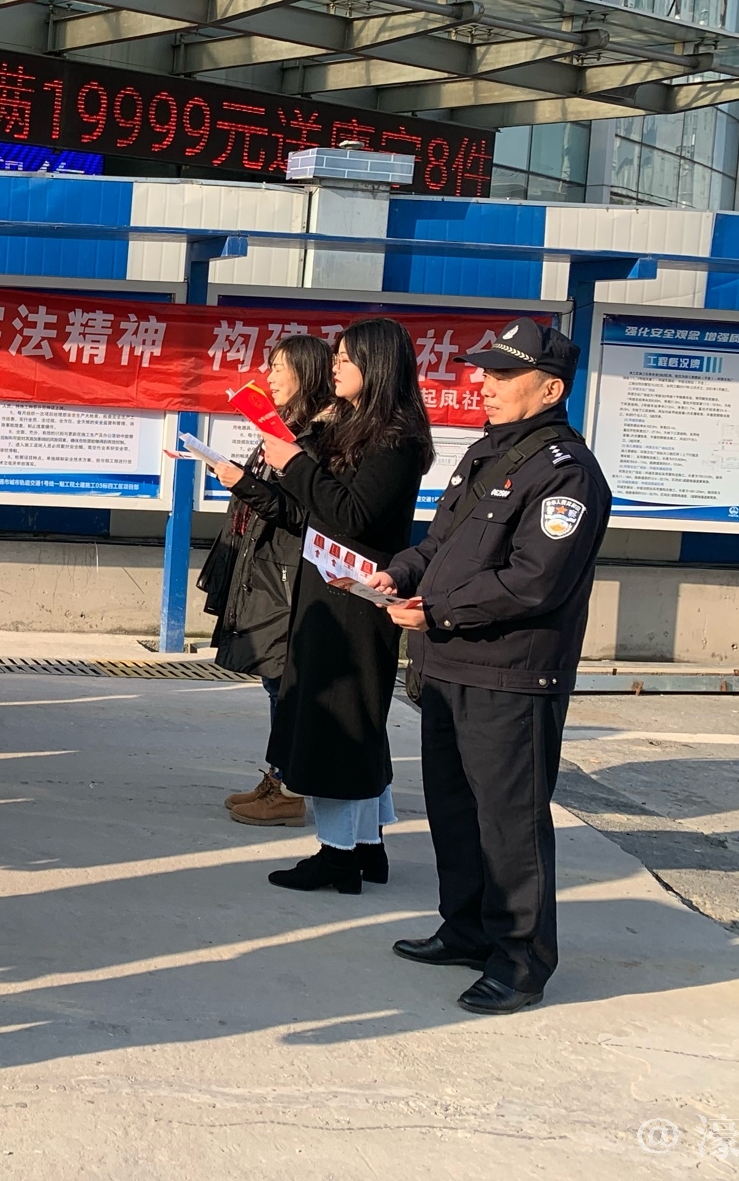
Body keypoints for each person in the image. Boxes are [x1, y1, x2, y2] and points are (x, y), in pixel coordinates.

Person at [366, 317, 612, 1015]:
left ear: (550, 389)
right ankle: (468, 929)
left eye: (504, 375)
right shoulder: (488, 453)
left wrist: (438, 611)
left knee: (510, 824)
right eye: (485, 371)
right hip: (449, 667)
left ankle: (521, 962)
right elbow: (439, 544)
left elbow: (535, 582)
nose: (484, 384)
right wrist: (397, 575)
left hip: (510, 675)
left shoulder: (567, 473)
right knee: (456, 812)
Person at [258, 317, 432, 896]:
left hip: (357, 599)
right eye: (335, 357)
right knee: (350, 724)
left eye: (346, 359)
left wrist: (295, 465)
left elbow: (354, 515)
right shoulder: (356, 428)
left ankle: (337, 856)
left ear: (377, 367)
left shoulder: (395, 440)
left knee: (340, 725)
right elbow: (317, 508)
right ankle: (365, 846)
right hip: (331, 589)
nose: (334, 367)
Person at [206, 333, 336, 827]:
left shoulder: (315, 439)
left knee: (284, 685)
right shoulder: (285, 428)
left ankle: (287, 789)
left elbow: (302, 513)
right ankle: (278, 779)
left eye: (280, 367)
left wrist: (244, 485)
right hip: (264, 568)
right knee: (273, 681)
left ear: (307, 371)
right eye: (270, 366)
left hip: (289, 576)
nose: (270, 377)